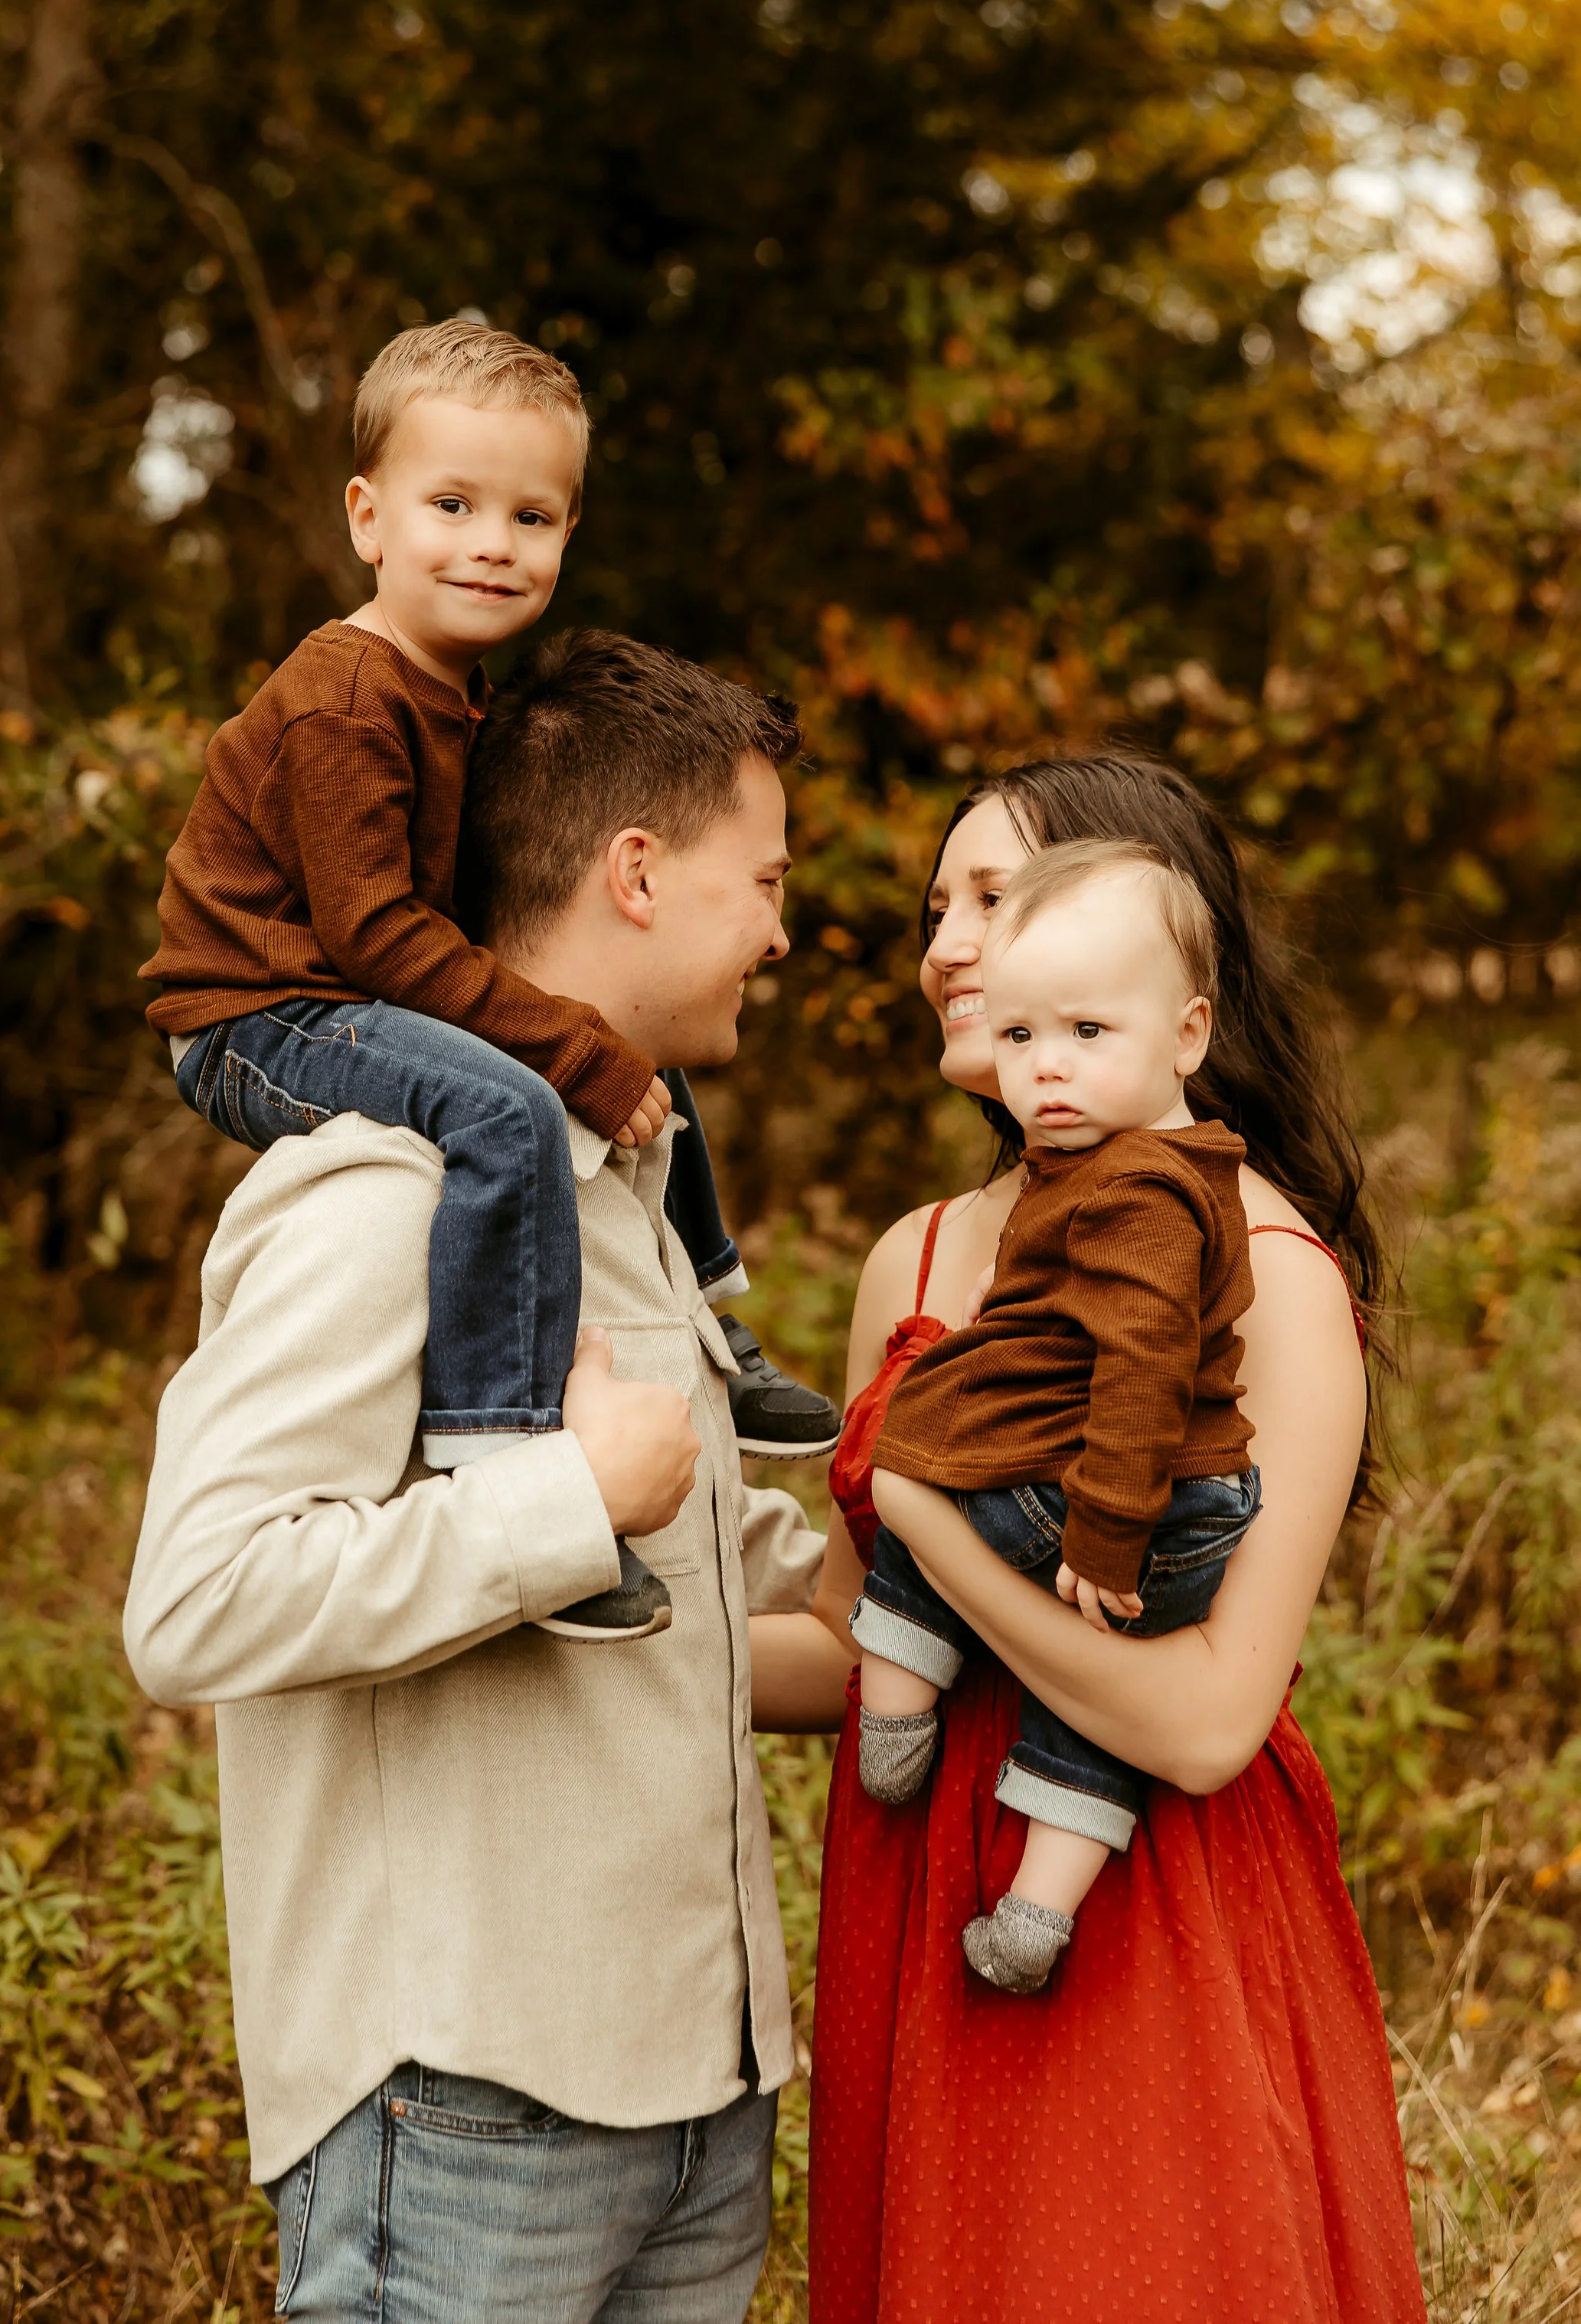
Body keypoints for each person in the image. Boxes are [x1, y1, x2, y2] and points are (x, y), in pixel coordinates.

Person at [124, 629, 828, 2324]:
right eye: (768, 879)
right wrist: (567, 1506)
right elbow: (194, 1605)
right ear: (636, 874)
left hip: (694, 2099)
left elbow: (719, 1607)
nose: (785, 932)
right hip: (465, 2112)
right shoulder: (390, 1188)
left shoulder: (618, 1189)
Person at [743, 753, 1424, 2324]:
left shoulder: (1265, 1268)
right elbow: (857, 1647)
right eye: (937, 907)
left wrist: (935, 1526)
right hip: (921, 1914)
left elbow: (1201, 1721)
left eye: (995, 898)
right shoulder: (909, 1257)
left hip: (1141, 1923)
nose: (946, 947)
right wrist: (573, 1623)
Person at [139, 319, 836, 1643]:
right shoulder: (349, 696)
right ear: (367, 516)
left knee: (639, 1052)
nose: (492, 543)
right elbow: (379, 934)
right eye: (451, 504)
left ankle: (724, 1333)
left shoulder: (455, 691)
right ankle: (498, 1445)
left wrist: (587, 1038)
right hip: (257, 1012)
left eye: (532, 514)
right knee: (513, 1109)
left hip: (339, 990)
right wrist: (562, 1047)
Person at [856, 839, 1262, 1996]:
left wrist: (1105, 1524)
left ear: (1187, 1035)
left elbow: (1141, 1361)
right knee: (1086, 1728)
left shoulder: (1142, 1187)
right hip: (1182, 1503)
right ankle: (1036, 1911)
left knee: (937, 1467)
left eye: (1088, 1033)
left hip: (1135, 1496)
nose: (1049, 1068)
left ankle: (897, 1701)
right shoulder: (1132, 1164)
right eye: (1023, 1036)